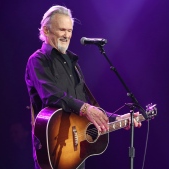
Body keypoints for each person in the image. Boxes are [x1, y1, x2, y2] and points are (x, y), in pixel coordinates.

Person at [25, 5, 142, 169]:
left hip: (76, 154)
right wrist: (85, 109)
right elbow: (50, 94)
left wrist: (118, 118)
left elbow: (85, 105)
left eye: (70, 30)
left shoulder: (74, 64)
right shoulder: (38, 60)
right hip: (53, 151)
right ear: (46, 30)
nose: (67, 35)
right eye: (62, 30)